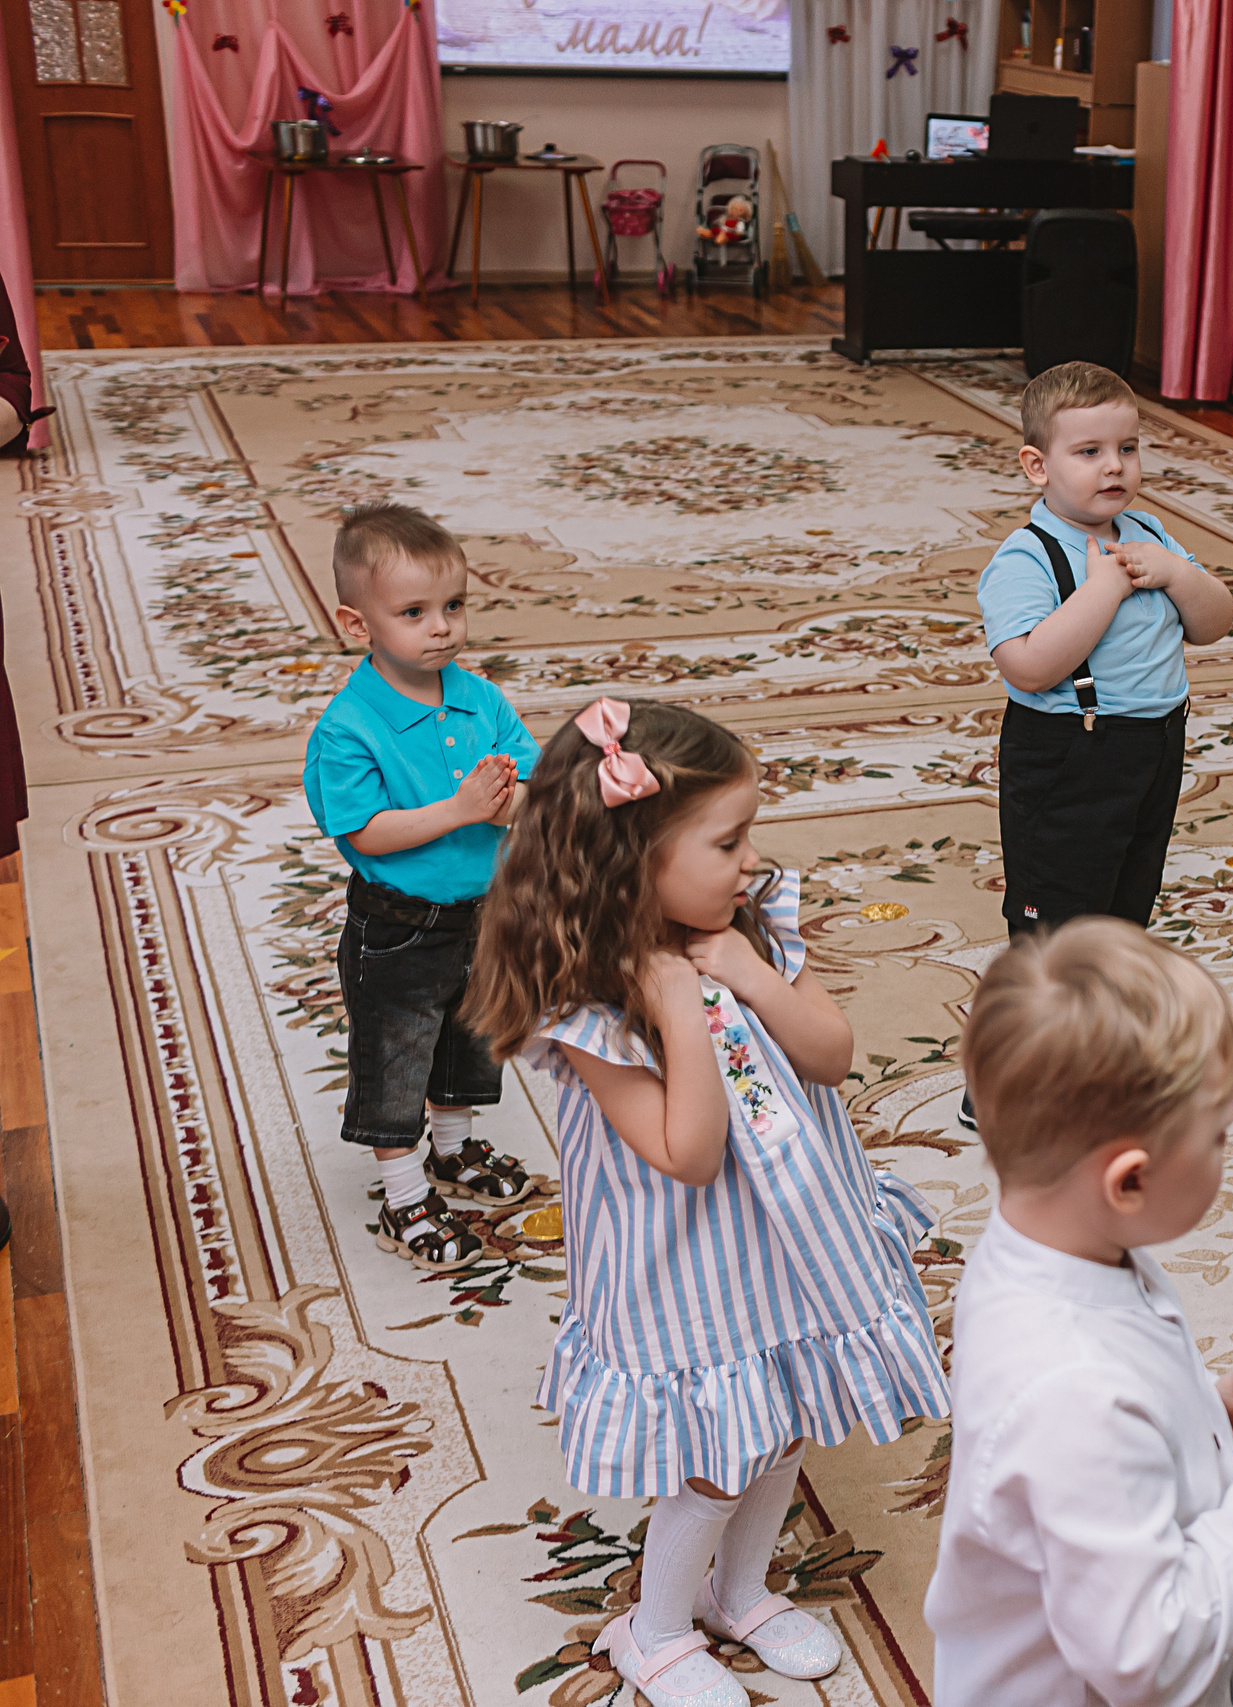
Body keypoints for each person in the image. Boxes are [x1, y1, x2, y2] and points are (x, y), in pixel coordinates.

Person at [461, 698, 950, 1707]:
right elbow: (686, 1154)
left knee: (789, 1419)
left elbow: (830, 1053)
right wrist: (682, 1011)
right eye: (725, 841)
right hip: (687, 1264)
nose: (748, 859)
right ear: (633, 860)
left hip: (793, 1238)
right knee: (721, 1456)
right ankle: (653, 1629)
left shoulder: (744, 927)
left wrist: (744, 974)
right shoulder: (590, 1003)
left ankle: (738, 1592)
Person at [926, 918, 1233, 1707]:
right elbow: (1142, 1650)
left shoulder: (1050, 1245)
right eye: (1217, 1136)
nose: (1229, 1149)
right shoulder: (1073, 1390)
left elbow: (1093, 1445)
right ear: (1129, 1181)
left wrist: (1197, 1425)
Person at [972, 360, 1233, 1131]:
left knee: (1122, 911)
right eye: (1088, 451)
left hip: (1152, 748)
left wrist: (1177, 573)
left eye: (1127, 448)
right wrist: (1104, 590)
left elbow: (1214, 621)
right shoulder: (1029, 556)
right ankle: (1011, 1072)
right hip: (1067, 756)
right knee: (1053, 927)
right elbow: (1026, 665)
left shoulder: (1150, 534)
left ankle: (1098, 1053)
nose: (1114, 466)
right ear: (1037, 464)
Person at [303, 502, 540, 1273]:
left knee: (468, 1042)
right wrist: (460, 810)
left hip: (482, 914)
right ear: (357, 623)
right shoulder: (349, 727)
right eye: (413, 612)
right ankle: (404, 1197)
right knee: (397, 1058)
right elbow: (363, 831)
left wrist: (518, 805)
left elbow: (531, 779)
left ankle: (452, 1148)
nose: (440, 627)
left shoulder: (480, 699)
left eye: (453, 606)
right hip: (397, 926)